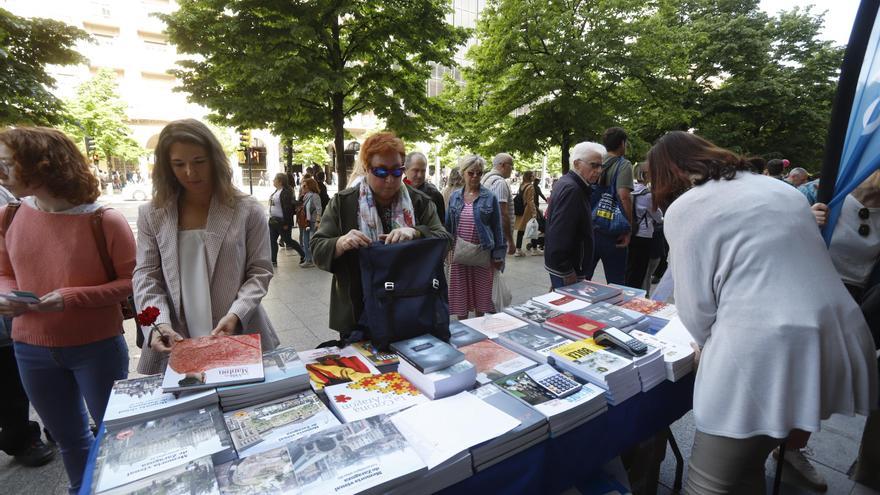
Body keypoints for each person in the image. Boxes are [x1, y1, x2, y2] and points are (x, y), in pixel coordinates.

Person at [649, 131, 877, 494]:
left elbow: (695, 310)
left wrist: (707, 346)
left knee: (707, 482)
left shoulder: (688, 207)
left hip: (761, 348)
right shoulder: (782, 190)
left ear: (670, 173)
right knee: (748, 463)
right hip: (834, 332)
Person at [0, 127, 134, 493]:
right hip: (30, 347)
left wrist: (72, 297)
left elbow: (130, 281)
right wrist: (8, 295)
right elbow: (4, 271)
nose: (2, 172)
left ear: (43, 165)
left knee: (114, 434)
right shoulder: (10, 216)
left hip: (97, 346)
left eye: (9, 164)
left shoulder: (103, 220)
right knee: (70, 440)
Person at [134, 119, 279, 376]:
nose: (190, 172)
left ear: (214, 160)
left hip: (239, 329)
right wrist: (159, 325)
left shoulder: (247, 209)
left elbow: (260, 271)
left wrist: (237, 313)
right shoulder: (152, 214)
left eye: (199, 161)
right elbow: (146, 275)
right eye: (179, 164)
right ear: (167, 166)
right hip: (176, 337)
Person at [311, 132, 451, 340]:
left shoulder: (419, 202)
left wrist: (416, 231)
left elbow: (445, 240)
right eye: (381, 171)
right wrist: (340, 243)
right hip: (358, 309)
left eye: (397, 171)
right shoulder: (343, 203)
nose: (390, 179)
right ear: (367, 169)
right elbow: (317, 248)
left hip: (412, 302)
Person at [0, 182, 55, 468]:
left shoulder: (7, 200)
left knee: (12, 374)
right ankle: (19, 435)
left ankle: (53, 427)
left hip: (18, 315)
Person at [446, 155, 506, 318]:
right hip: (460, 255)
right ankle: (465, 331)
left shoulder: (489, 197)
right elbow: (449, 226)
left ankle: (479, 331)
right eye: (471, 173)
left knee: (482, 298)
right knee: (461, 298)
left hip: (482, 255)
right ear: (463, 173)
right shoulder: (455, 197)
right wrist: (446, 251)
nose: (475, 177)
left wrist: (498, 256)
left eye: (479, 173)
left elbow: (497, 228)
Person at [544, 142, 605, 288]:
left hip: (567, 267)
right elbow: (559, 233)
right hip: (568, 269)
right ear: (577, 164)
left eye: (601, 166)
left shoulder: (571, 184)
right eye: (594, 165)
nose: (599, 170)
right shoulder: (573, 189)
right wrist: (566, 270)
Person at [586, 127, 634, 285]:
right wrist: (628, 228)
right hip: (613, 233)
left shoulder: (595, 162)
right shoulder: (623, 165)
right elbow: (624, 196)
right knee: (616, 282)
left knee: (583, 278)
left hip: (590, 229)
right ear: (622, 143)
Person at [624, 163, 663, 291]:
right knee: (640, 270)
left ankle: (628, 292)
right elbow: (658, 216)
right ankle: (635, 297)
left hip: (629, 232)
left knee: (630, 267)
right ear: (645, 175)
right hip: (644, 235)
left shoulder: (629, 190)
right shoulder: (648, 195)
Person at [482, 153, 517, 258]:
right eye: (511, 165)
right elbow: (503, 214)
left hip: (488, 232)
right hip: (497, 236)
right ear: (503, 165)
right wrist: (510, 241)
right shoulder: (500, 183)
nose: (512, 169)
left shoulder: (485, 179)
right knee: (495, 269)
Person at [268, 172, 305, 266]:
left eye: (275, 179)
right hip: (273, 220)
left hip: (282, 221)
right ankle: (273, 261)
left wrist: (286, 223)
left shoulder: (286, 192)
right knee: (272, 240)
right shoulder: (276, 192)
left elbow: (287, 208)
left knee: (288, 240)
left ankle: (303, 254)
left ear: (280, 181)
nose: (273, 181)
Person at [404, 151, 446, 222]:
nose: (420, 175)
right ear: (405, 170)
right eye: (416, 170)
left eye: (423, 171)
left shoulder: (434, 195)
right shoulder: (396, 191)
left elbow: (440, 228)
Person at [299, 177, 323, 268]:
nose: (303, 187)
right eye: (302, 185)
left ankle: (314, 260)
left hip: (313, 222)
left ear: (310, 186)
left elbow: (319, 209)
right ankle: (308, 259)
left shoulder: (314, 196)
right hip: (306, 222)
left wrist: (318, 221)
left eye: (304, 185)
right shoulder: (305, 196)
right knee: (306, 241)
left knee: (312, 242)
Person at [513, 170, 537, 257]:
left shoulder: (522, 185)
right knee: (533, 228)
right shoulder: (530, 187)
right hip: (527, 210)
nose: (534, 177)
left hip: (521, 209)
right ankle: (534, 249)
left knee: (521, 229)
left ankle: (518, 249)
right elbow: (530, 201)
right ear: (529, 177)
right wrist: (534, 212)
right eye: (533, 176)